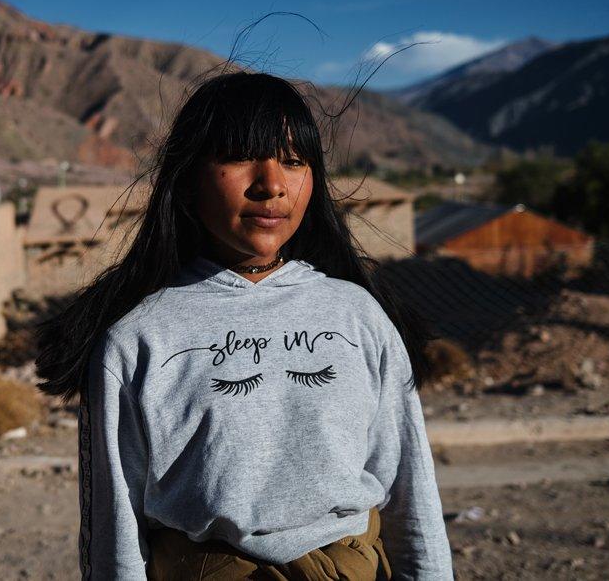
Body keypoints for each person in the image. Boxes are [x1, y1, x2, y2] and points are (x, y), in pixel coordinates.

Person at [34, 70, 454, 580]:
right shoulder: (141, 338)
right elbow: (116, 528)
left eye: (294, 162)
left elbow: (411, 493)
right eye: (239, 157)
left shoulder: (357, 316)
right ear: (188, 178)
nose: (272, 185)